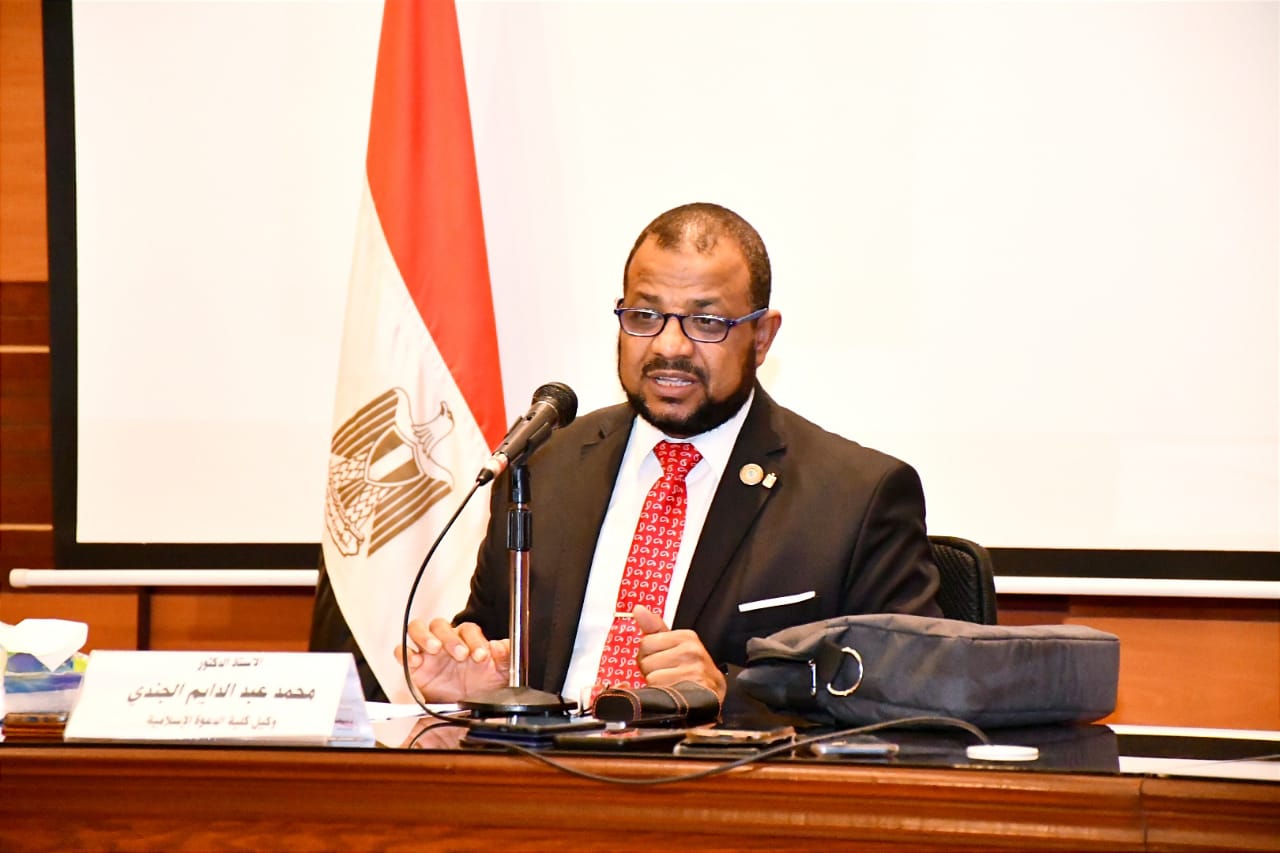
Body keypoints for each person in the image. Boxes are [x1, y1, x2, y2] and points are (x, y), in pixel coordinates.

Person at [399, 202, 941, 708]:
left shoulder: (855, 498)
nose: (668, 346)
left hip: (722, 778)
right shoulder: (541, 468)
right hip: (548, 769)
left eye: (706, 322)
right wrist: (478, 683)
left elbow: (906, 695)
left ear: (761, 337)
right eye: (644, 315)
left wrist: (729, 696)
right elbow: (493, 640)